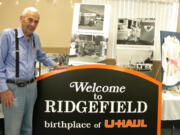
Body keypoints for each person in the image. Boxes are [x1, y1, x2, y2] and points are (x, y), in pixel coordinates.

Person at [0, 7, 64, 135]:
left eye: (36, 21)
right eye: (30, 20)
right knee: (13, 130)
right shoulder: (8, 35)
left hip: (31, 88)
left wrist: (55, 66)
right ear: (21, 19)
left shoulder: (35, 37)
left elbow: (41, 56)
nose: (33, 24)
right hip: (13, 90)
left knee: (28, 128)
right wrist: (3, 89)